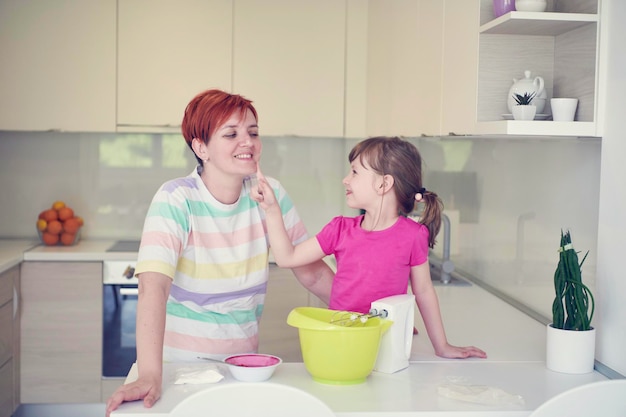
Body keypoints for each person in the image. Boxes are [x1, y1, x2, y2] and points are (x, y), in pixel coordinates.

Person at [105, 89, 334, 416]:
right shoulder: (176, 199)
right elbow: (153, 287)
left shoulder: (269, 194)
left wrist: (366, 315)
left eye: (253, 132)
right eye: (232, 134)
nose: (248, 142)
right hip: (176, 372)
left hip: (242, 368)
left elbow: (310, 270)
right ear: (201, 147)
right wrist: (151, 374)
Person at [253, 136, 487, 360]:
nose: (346, 179)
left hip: (386, 342)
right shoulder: (339, 229)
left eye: (354, 172)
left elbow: (424, 291)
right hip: (343, 339)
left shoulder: (414, 235)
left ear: (384, 183)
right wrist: (271, 209)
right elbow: (287, 257)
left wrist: (441, 346)